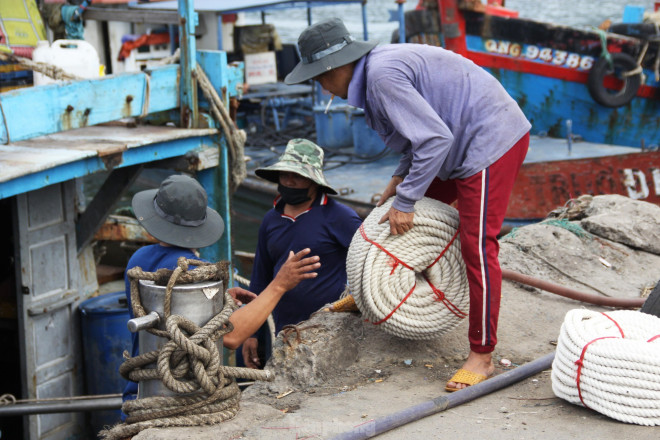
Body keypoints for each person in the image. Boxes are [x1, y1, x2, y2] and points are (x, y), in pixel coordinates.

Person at [285, 18, 531, 392]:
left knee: (477, 245)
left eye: (318, 76)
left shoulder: (381, 76)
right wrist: (399, 182)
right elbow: (418, 137)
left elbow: (433, 139)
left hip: (488, 141)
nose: (319, 85)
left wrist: (407, 199)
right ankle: (372, 294)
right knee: (389, 217)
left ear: (335, 67)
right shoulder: (375, 75)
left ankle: (482, 355)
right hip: (455, 142)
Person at [122, 174, 320, 407]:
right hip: (178, 398)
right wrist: (280, 284)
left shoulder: (139, 260)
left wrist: (217, 300)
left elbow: (175, 314)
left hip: (140, 392)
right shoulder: (193, 273)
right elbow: (232, 336)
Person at [243, 138, 363, 368]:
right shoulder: (270, 220)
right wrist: (252, 333)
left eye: (297, 176)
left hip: (331, 329)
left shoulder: (340, 218)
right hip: (284, 331)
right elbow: (260, 279)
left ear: (313, 181)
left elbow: (372, 259)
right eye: (285, 174)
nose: (289, 181)